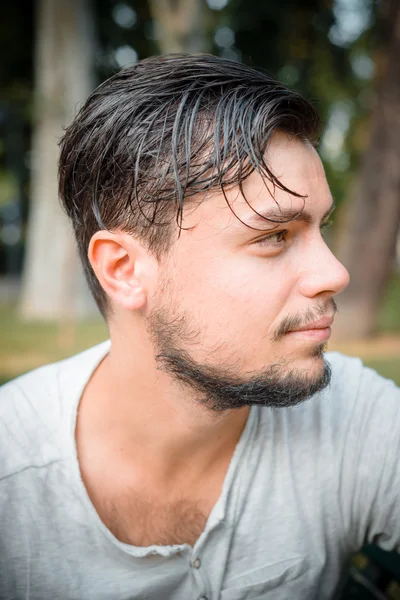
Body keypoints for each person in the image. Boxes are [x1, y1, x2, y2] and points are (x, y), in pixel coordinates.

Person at [0, 54, 399, 600]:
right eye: (275, 236)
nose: (335, 273)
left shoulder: (357, 422)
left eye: (319, 228)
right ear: (125, 270)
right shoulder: (11, 475)